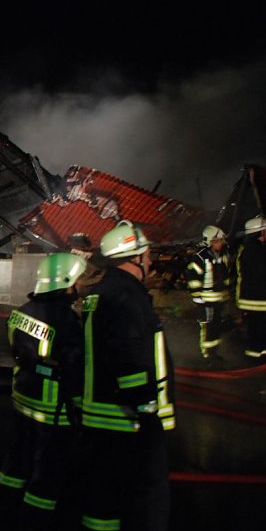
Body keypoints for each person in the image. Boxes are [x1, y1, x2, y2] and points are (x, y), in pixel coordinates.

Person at [79, 220, 175, 531]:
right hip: (127, 418)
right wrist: (145, 407)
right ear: (134, 257)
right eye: (146, 255)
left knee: (104, 496)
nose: (151, 261)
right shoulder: (127, 296)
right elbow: (130, 355)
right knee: (144, 495)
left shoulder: (103, 292)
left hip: (100, 413)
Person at [0, 253, 87, 531]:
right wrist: (79, 408)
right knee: (47, 472)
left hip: (23, 398)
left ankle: (3, 513)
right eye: (78, 279)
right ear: (66, 281)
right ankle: (35, 522)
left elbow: (16, 351)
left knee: (17, 460)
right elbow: (75, 366)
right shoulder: (66, 321)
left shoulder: (21, 310)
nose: (81, 284)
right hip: (52, 408)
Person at [185, 225, 231, 358]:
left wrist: (226, 294)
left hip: (218, 299)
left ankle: (214, 352)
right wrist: (198, 298)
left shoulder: (222, 255)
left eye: (221, 240)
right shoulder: (199, 258)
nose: (220, 243)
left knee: (216, 326)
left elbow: (225, 276)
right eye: (217, 240)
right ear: (210, 241)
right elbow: (193, 279)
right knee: (207, 327)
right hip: (206, 301)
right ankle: (207, 355)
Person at [236, 215, 266, 358]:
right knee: (259, 328)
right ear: (260, 233)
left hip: (252, 298)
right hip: (259, 299)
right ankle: (255, 357)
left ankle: (256, 354)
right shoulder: (257, 251)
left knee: (256, 328)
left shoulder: (246, 250)